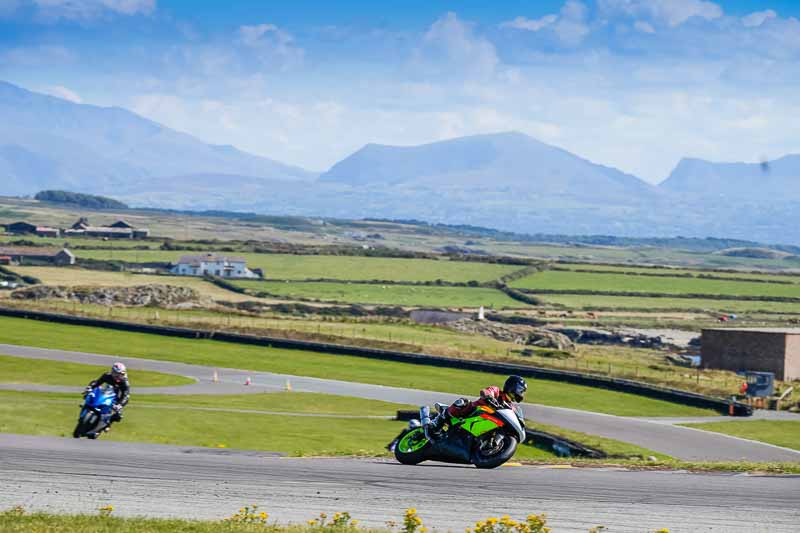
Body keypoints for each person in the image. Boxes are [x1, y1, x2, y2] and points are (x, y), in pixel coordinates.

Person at [425, 375, 527, 440]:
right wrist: (488, 397)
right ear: (512, 386)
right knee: (463, 402)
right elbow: (486, 391)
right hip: (474, 411)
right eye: (521, 390)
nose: (521, 394)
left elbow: (515, 417)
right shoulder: (497, 391)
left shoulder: (511, 407)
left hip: (488, 421)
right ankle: (437, 422)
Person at [84, 362, 130, 434]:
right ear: (112, 371)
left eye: (120, 374)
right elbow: (97, 382)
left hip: (116, 399)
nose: (117, 376)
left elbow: (126, 396)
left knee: (118, 416)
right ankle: (85, 409)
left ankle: (108, 424)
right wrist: (90, 388)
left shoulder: (125, 382)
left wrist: (119, 405)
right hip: (105, 394)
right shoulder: (107, 376)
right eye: (115, 373)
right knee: (89, 396)